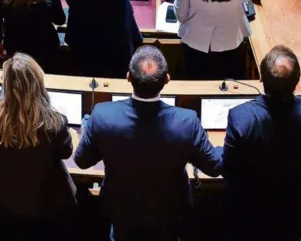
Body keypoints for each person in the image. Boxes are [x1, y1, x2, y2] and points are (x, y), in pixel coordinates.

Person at [73, 45, 222, 240]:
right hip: (169, 213)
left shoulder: (102, 116)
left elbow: (82, 161)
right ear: (167, 79)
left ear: (128, 77)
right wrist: (226, 144)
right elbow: (214, 166)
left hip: (121, 212)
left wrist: (87, 131)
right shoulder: (187, 122)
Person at [220, 45, 301, 239]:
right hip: (292, 204)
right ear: (297, 82)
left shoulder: (240, 118)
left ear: (261, 80)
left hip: (249, 205)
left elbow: (228, 167)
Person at [0, 54, 79, 238]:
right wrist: (73, 136)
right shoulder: (55, 122)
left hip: (5, 196)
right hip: (45, 200)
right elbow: (66, 152)